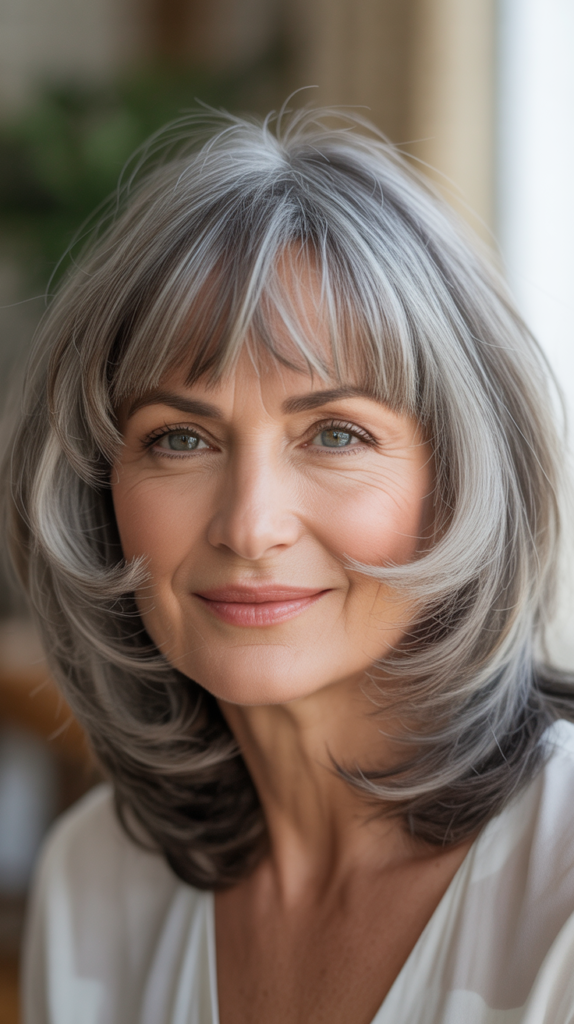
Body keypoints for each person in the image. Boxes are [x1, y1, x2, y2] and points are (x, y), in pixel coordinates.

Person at [6, 106, 574, 1024]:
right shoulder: (95, 880)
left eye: (337, 433)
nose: (250, 525)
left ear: (463, 478)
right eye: (181, 437)